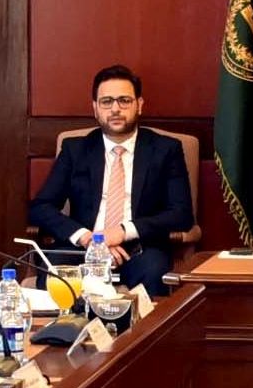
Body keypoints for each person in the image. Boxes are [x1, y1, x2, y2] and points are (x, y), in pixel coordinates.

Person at [29, 65, 196, 293]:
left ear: (139, 105)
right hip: (83, 250)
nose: (115, 109)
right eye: (106, 102)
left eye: (124, 101)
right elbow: (41, 207)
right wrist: (87, 238)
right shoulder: (75, 149)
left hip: (139, 249)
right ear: (95, 108)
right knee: (55, 272)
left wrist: (122, 231)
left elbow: (181, 214)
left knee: (155, 271)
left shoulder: (165, 149)